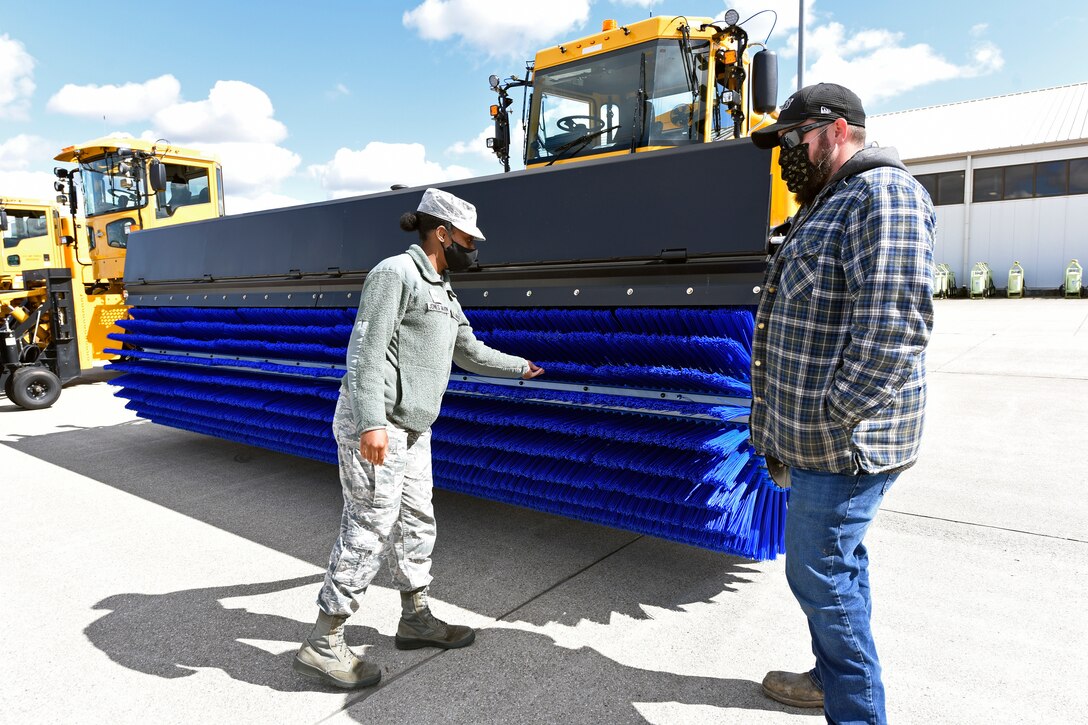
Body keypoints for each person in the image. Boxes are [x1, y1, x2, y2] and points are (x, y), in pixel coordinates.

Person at [293, 187, 544, 689]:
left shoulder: (443, 288)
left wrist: (521, 366)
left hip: (414, 429)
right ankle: (324, 641)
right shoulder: (395, 273)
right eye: (468, 241)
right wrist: (370, 422)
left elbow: (469, 351)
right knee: (369, 527)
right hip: (379, 425)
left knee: (416, 522)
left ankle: (415, 619)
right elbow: (365, 350)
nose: (473, 250)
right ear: (442, 233)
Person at [748, 83, 935, 724]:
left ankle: (855, 710)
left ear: (833, 130)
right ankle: (830, 678)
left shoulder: (883, 195)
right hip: (818, 440)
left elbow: (895, 330)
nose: (785, 157)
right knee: (838, 569)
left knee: (820, 575)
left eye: (792, 142)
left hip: (845, 445)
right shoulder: (826, 202)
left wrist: (832, 415)